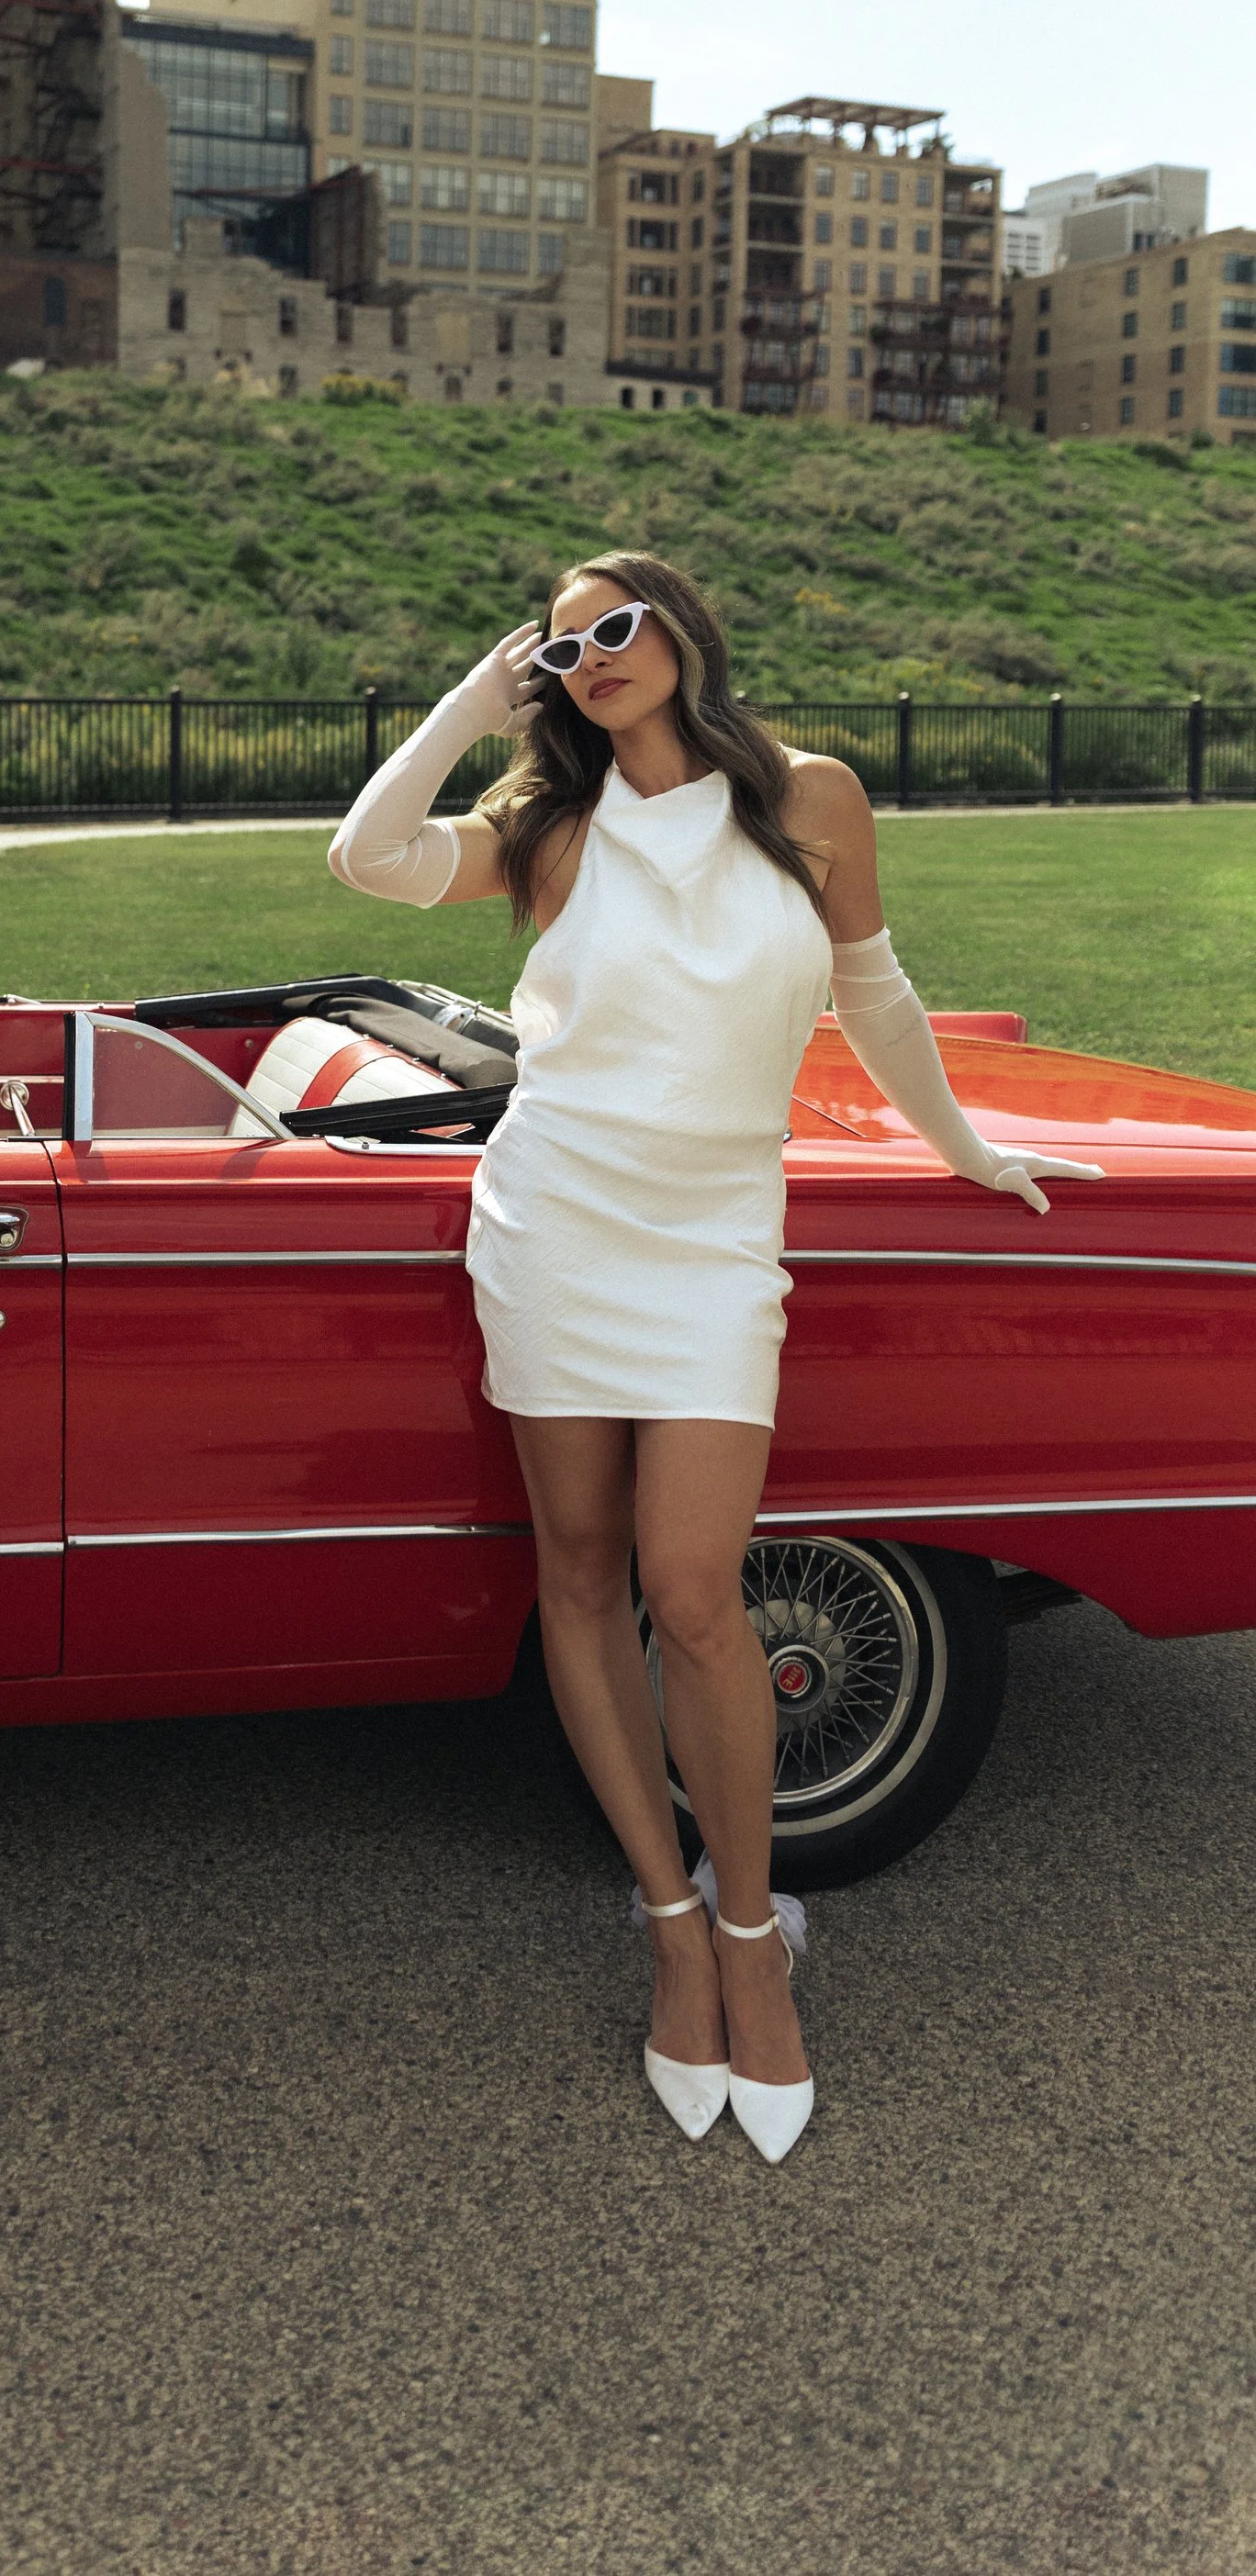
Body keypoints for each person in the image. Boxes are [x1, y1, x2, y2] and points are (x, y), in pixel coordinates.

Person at [327, 552, 1099, 2163]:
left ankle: (758, 1931)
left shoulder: (810, 797)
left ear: (681, 631)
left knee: (698, 1587)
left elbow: (877, 996)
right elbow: (365, 855)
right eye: (564, 647)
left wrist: (964, 1148)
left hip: (712, 1247)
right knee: (586, 1571)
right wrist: (480, 701)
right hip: (552, 1225)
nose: (594, 657)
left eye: (616, 626)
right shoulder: (548, 827)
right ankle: (671, 1921)